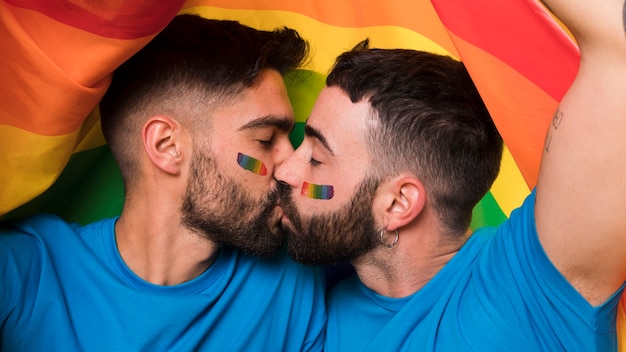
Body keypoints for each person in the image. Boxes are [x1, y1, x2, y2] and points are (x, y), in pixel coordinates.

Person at [275, 0, 626, 350]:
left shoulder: (528, 288)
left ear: (399, 203)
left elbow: (617, 46)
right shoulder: (310, 306)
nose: (285, 170)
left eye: (317, 159)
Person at [0, 14, 326, 350]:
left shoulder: (291, 281)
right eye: (265, 138)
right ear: (166, 146)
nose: (292, 169)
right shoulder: (25, 271)